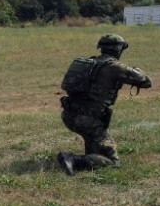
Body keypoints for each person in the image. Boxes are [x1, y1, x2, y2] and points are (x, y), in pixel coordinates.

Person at [57, 33, 152, 175]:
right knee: (113, 162)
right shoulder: (115, 67)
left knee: (96, 144)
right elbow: (146, 81)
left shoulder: (90, 63)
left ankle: (90, 154)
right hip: (88, 121)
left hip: (69, 114)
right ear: (119, 49)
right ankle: (73, 159)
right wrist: (136, 69)